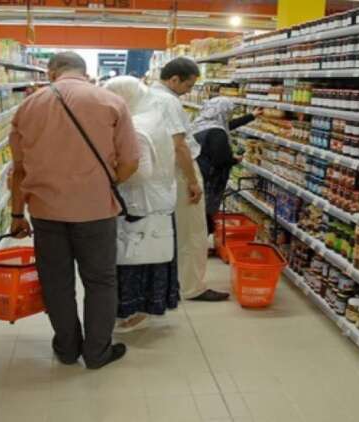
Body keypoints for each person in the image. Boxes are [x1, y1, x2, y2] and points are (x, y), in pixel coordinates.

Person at [8, 52, 140, 369]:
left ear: (52, 72)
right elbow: (131, 161)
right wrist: (106, 183)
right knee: (100, 281)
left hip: (45, 211)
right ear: (85, 71)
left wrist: (16, 214)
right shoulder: (111, 102)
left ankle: (67, 349)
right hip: (95, 210)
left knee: (56, 282)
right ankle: (97, 352)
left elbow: (19, 169)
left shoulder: (28, 106)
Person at [150, 57, 229, 302]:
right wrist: (192, 180)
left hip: (161, 170)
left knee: (176, 230)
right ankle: (192, 287)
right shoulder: (169, 101)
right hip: (179, 170)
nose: (189, 91)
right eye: (188, 85)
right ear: (174, 79)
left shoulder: (149, 95)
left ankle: (175, 281)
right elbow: (180, 145)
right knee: (192, 231)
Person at [104, 76, 179, 332]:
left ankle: (133, 311)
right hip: (160, 197)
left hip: (142, 201)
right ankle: (149, 306)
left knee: (135, 256)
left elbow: (140, 172)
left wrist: (110, 176)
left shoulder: (136, 126)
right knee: (154, 254)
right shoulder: (153, 117)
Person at [191, 97, 263, 233]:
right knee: (205, 214)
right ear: (223, 112)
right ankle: (204, 237)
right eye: (229, 112)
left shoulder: (200, 123)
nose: (230, 115)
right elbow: (220, 160)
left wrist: (251, 116)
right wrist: (234, 160)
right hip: (210, 179)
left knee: (197, 212)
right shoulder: (217, 133)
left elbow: (226, 125)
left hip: (199, 171)